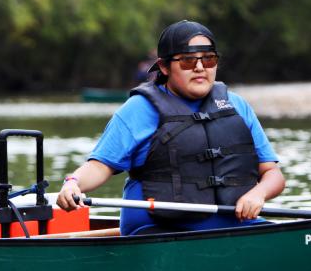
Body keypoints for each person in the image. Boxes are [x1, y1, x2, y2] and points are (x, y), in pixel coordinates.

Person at [57, 19, 285, 235]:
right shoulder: (138, 109)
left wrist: (258, 193)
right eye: (187, 60)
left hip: (233, 224)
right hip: (159, 230)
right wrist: (73, 184)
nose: (199, 67)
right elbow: (99, 166)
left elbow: (272, 173)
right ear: (164, 67)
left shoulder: (237, 105)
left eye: (208, 60)